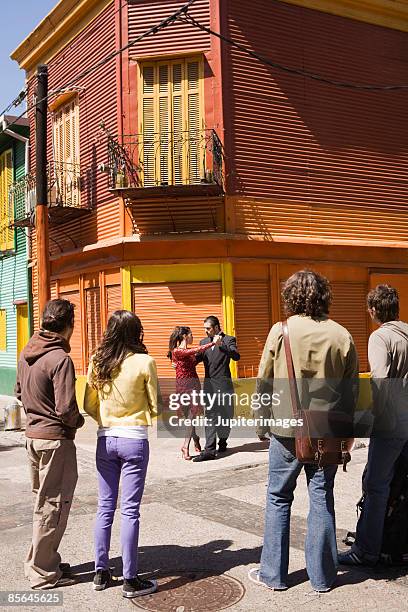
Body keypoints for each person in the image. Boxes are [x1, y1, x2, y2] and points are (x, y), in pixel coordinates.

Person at [248, 270, 358, 593]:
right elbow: (351, 394)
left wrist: (260, 422)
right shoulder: (342, 336)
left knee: (278, 497)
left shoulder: (280, 331)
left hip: (285, 428)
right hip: (327, 431)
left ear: (291, 297)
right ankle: (323, 578)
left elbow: (264, 383)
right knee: (322, 498)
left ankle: (274, 575)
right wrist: (348, 433)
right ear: (325, 296)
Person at [84, 310, 158, 598]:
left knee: (105, 507)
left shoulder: (97, 361)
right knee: (129, 510)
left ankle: (100, 572)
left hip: (106, 439)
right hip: (134, 440)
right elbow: (155, 405)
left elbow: (88, 403)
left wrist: (105, 420)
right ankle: (130, 578)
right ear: (136, 332)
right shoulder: (144, 362)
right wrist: (144, 416)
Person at [15, 299, 84, 590]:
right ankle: (43, 572)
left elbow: (18, 392)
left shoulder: (27, 352)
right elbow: (66, 408)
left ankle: (41, 560)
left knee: (42, 505)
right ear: (69, 326)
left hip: (32, 438)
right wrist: (78, 422)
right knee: (53, 507)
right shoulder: (60, 359)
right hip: (55, 441)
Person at [339, 284, 408, 567]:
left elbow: (379, 381)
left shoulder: (381, 337)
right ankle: (395, 540)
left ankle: (366, 550)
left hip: (392, 422)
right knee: (402, 483)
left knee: (376, 485)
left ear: (373, 310)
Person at [168, 326, 221, 460]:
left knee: (192, 416)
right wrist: (213, 342)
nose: (193, 337)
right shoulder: (178, 351)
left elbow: (194, 356)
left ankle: (185, 446)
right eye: (191, 335)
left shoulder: (187, 352)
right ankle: (195, 438)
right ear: (185, 336)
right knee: (188, 418)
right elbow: (197, 350)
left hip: (194, 386)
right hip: (182, 386)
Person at [192, 315, 240, 462]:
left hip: (224, 386)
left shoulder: (229, 339)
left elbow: (236, 356)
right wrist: (181, 361)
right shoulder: (204, 342)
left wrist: (221, 346)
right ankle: (209, 450)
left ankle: (223, 441)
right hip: (209, 387)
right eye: (205, 329)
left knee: (226, 416)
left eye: (208, 328)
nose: (206, 331)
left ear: (217, 327)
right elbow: (196, 359)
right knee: (211, 416)